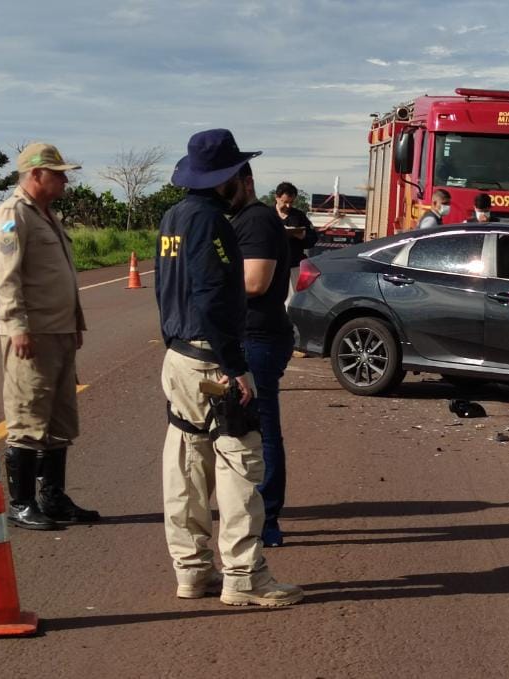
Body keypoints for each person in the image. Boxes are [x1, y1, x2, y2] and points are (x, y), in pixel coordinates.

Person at [156, 128, 302, 607]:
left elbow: (166, 290)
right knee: (240, 464)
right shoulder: (213, 222)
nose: (245, 181)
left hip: (178, 355)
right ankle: (244, 575)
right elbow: (214, 295)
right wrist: (235, 366)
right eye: (241, 173)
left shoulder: (174, 217)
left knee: (185, 464)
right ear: (229, 179)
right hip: (213, 359)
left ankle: (191, 570)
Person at [0, 142, 100, 531]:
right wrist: (17, 325)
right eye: (59, 174)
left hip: (60, 332)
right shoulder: (12, 215)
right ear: (36, 174)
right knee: (28, 416)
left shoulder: (47, 215)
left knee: (59, 418)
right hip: (32, 334)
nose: (66, 180)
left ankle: (52, 498)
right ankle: (21, 504)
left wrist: (74, 325)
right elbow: (7, 277)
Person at [231, 164, 293, 548]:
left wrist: (206, 280)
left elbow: (254, 282)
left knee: (262, 429)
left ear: (247, 182)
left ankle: (267, 518)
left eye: (226, 183)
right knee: (246, 429)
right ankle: (256, 513)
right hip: (253, 335)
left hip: (260, 338)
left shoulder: (256, 221)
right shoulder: (242, 218)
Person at [273, 182, 316, 269]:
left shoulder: (299, 216)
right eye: (285, 202)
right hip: (271, 265)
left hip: (294, 265)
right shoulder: (267, 215)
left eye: (291, 202)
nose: (288, 206)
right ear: (277, 197)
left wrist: (303, 237)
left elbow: (313, 239)